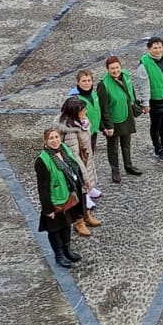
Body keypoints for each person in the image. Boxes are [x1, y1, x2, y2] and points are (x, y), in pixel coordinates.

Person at [35, 127, 86, 268]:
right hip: (55, 201)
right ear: (45, 142)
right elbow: (42, 187)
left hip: (68, 197)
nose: (55, 140)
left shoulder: (64, 149)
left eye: (56, 137)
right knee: (54, 229)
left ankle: (67, 250)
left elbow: (74, 166)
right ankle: (59, 255)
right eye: (51, 138)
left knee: (66, 225)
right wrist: (48, 209)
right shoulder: (42, 161)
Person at [97, 56, 142, 183]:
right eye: (112, 69)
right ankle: (115, 169)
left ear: (121, 67)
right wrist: (108, 125)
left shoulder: (126, 76)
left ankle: (128, 165)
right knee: (113, 146)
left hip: (127, 115)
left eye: (117, 68)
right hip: (113, 119)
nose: (115, 71)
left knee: (126, 143)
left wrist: (136, 105)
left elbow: (131, 92)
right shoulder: (103, 85)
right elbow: (104, 108)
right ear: (107, 69)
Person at [58, 97, 99, 235]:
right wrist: (85, 175)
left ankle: (87, 216)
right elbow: (74, 156)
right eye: (83, 110)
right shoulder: (70, 130)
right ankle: (79, 222)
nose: (86, 111)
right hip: (77, 167)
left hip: (85, 160)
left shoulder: (80, 123)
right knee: (79, 195)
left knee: (84, 194)